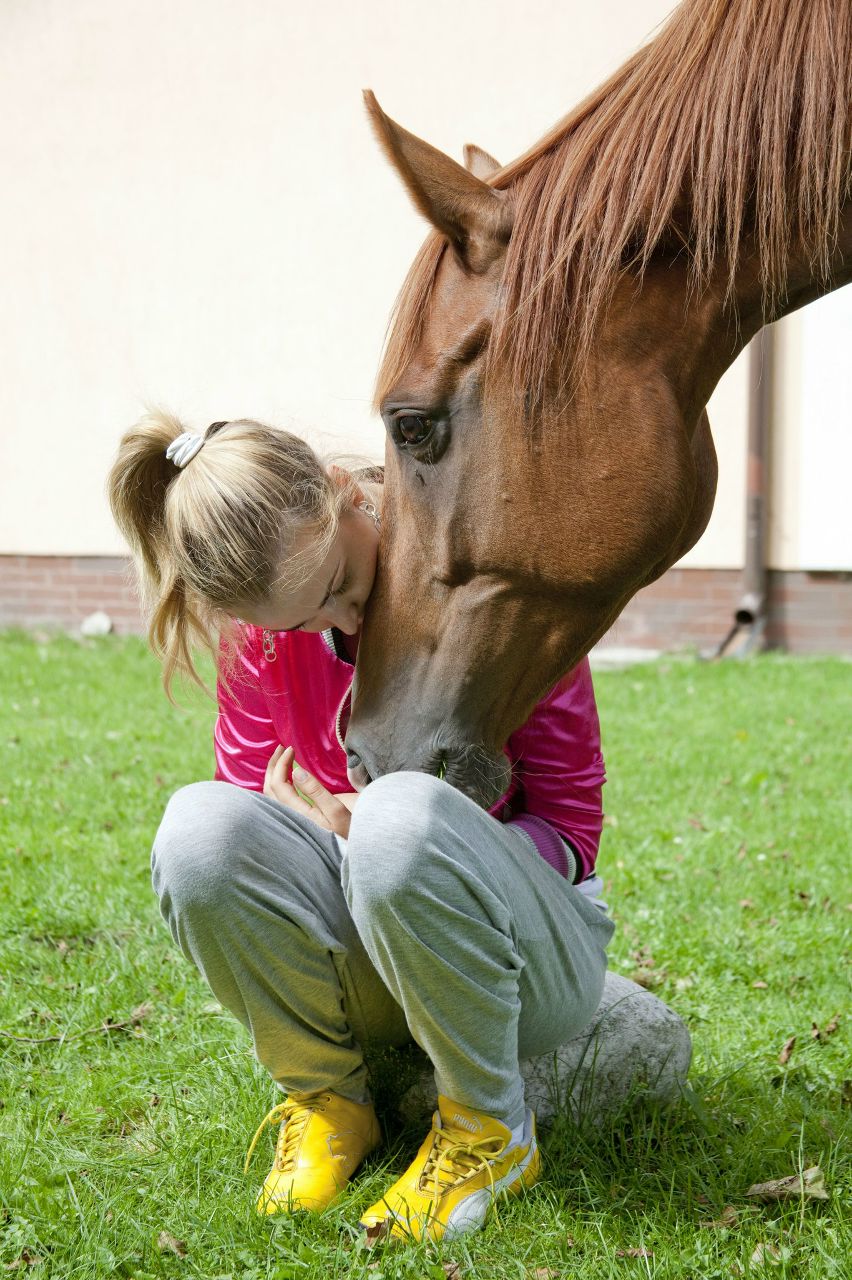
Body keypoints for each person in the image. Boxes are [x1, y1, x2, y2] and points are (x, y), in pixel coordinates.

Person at [107, 411, 614, 1243]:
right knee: (196, 829)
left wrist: (401, 839)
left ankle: (491, 1131)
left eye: (342, 584)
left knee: (396, 817)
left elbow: (570, 825)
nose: (339, 623)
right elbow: (247, 820)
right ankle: (330, 1100)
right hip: (380, 955)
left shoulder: (495, 593)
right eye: (302, 621)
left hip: (531, 964)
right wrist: (332, 841)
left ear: (348, 496)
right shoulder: (264, 642)